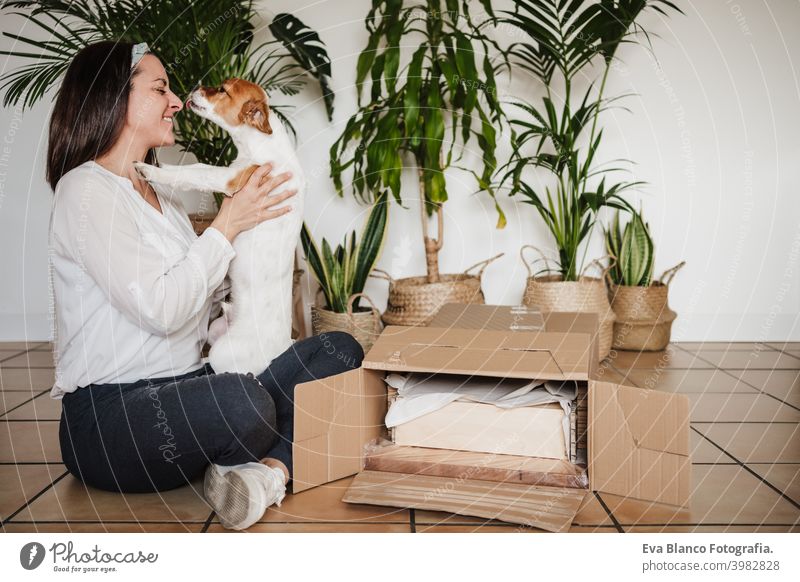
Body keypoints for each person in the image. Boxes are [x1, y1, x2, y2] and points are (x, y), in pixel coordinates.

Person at [46, 40, 364, 530]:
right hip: (113, 416)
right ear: (114, 99)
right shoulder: (86, 192)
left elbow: (201, 293)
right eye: (160, 89)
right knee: (244, 402)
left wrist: (255, 247)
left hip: (195, 385)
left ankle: (265, 478)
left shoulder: (161, 195)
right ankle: (252, 448)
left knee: (340, 351)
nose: (176, 101)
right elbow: (163, 308)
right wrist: (228, 224)